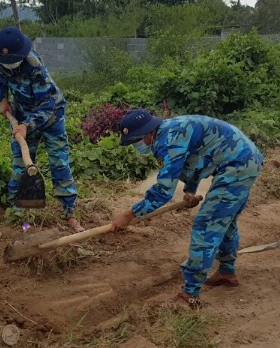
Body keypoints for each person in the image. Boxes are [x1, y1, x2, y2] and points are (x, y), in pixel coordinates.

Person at [110, 109, 263, 309]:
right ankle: (226, 271)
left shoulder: (170, 140)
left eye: (136, 141)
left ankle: (189, 295)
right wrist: (190, 190)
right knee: (224, 221)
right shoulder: (169, 131)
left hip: (238, 165)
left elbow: (164, 191)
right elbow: (194, 160)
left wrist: (129, 215)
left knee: (207, 224)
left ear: (149, 133)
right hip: (243, 160)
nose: (136, 146)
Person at [0, 26, 84, 232]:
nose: (9, 66)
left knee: (59, 162)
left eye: (13, 62)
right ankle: (17, 213)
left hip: (51, 115)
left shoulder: (35, 67)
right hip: (21, 113)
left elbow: (47, 104)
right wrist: (3, 98)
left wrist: (26, 126)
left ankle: (69, 212)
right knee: (21, 164)